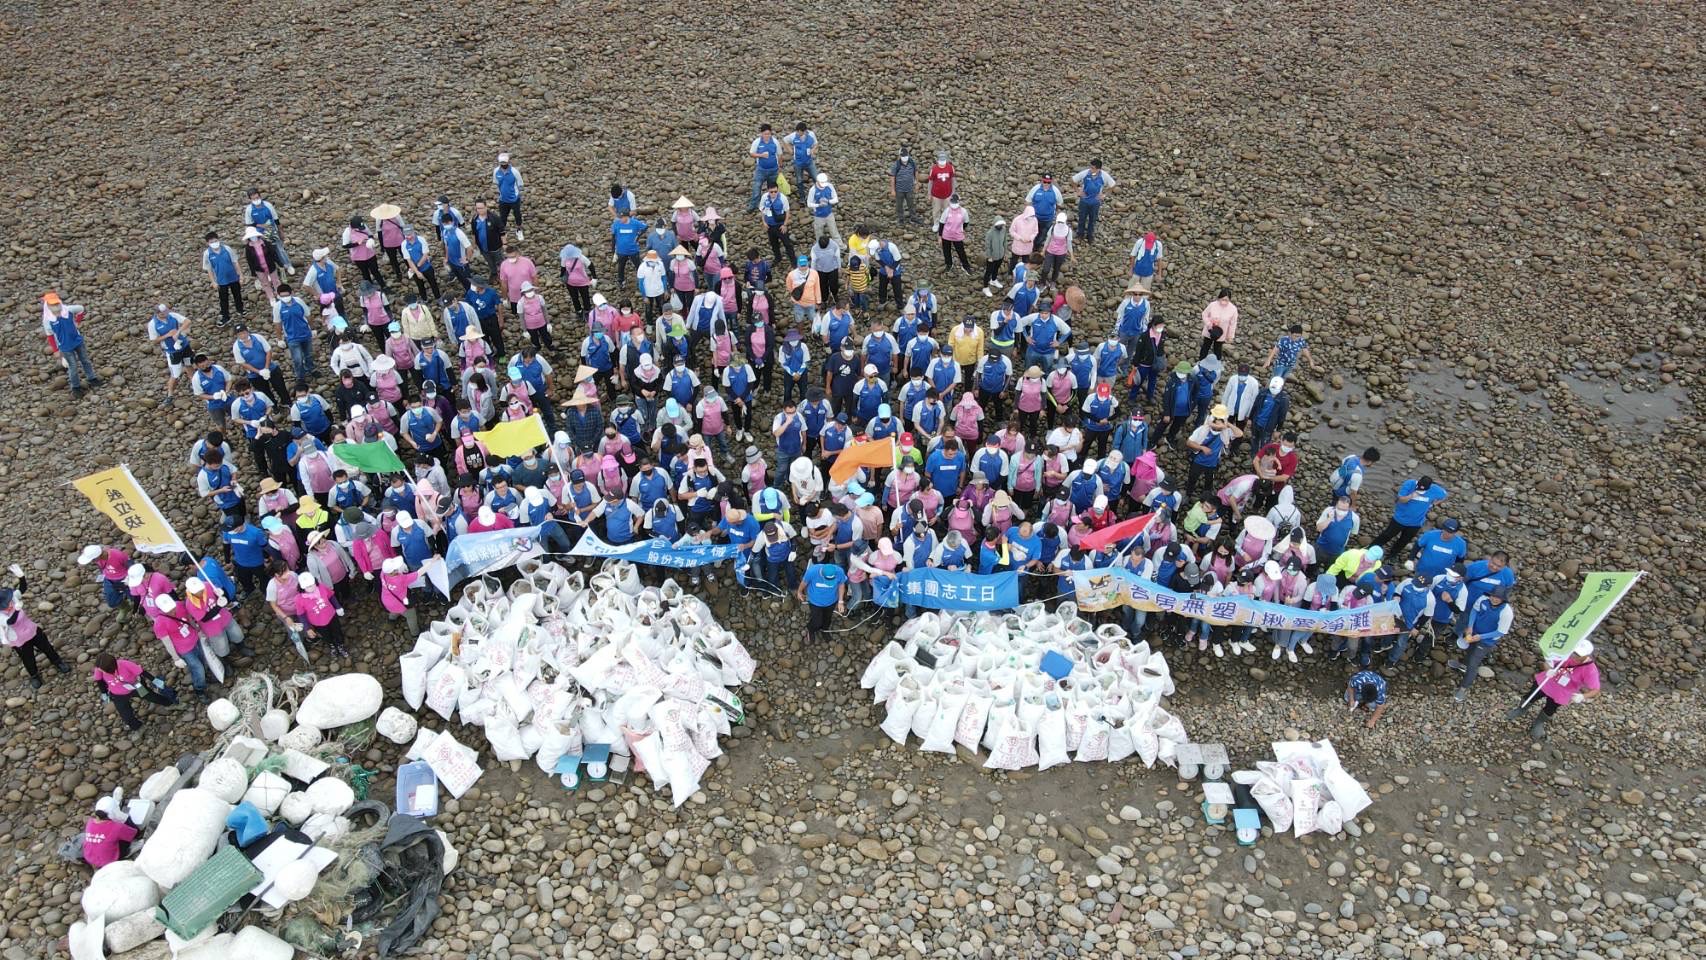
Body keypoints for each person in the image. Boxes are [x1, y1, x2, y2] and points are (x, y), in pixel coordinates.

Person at [1507, 640, 1600, 740]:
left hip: (1562, 692)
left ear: (1587, 655)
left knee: (1550, 709)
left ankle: (1538, 723)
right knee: (1530, 696)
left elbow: (1595, 689)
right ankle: (1520, 709)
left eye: (1579, 655)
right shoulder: (1565, 653)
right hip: (1546, 681)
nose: (1575, 656)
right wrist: (1548, 669)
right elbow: (1547, 662)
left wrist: (1582, 696)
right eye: (1574, 652)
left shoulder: (1590, 670)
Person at [2, 571, 69, 690]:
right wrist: (17, 610)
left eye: (9, 601)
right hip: (19, 640)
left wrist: (21, 576)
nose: (10, 604)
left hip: (32, 630)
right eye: (6, 604)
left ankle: (58, 662)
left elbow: (22, 588)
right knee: (28, 658)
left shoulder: (13, 599)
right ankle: (34, 675)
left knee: (47, 647)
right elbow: (10, 622)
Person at [1449, 586, 1514, 701]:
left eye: (1498, 598)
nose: (1494, 599)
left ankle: (1463, 688)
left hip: (1486, 640)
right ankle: (1463, 666)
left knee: (1474, 663)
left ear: (1503, 599)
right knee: (1469, 651)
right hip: (1474, 631)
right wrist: (1470, 626)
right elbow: (1474, 610)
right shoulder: (1483, 599)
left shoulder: (1506, 612)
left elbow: (1501, 631)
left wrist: (1480, 637)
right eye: (1493, 596)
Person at [1370, 476, 1449, 556]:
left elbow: (1445, 495)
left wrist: (1434, 504)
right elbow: (1401, 499)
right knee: (1387, 535)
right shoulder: (1409, 484)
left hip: (1415, 523)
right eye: (1419, 488)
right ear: (1418, 482)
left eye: (1423, 489)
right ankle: (1370, 548)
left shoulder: (1435, 489)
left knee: (1404, 541)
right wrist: (1411, 495)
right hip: (1399, 519)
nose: (1420, 491)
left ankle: (1392, 555)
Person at [41, 292, 99, 398]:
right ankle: (76, 387)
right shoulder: (48, 321)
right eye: (52, 304)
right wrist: (56, 350)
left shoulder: (68, 310)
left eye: (56, 303)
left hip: (77, 341)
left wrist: (77, 321)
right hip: (65, 346)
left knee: (85, 360)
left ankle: (92, 378)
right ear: (47, 306)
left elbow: (81, 309)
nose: (55, 306)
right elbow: (50, 336)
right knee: (73, 366)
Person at [797, 558, 848, 643]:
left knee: (827, 619)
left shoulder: (839, 571)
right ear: (822, 574)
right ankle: (811, 629)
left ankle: (824, 630)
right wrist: (799, 592)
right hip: (815, 602)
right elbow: (804, 582)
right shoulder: (812, 571)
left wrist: (840, 601)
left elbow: (841, 584)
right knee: (817, 622)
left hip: (831, 601)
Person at [82, 794, 140, 866]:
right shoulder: (116, 827)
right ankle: (127, 853)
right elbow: (135, 833)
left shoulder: (90, 822)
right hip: (109, 860)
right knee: (124, 837)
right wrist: (125, 818)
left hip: (89, 857)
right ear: (114, 812)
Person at [202, 231, 246, 326]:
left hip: (233, 277)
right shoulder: (207, 254)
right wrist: (213, 282)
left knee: (237, 294)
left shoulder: (227, 249)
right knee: (223, 299)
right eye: (211, 242)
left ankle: (240, 309)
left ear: (219, 240)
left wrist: (241, 275)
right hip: (221, 281)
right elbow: (209, 269)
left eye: (215, 240)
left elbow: (235, 262)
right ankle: (226, 316)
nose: (214, 243)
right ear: (207, 243)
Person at [1070, 159, 1116, 242]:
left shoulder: (1104, 176)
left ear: (1098, 169)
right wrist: (1078, 191)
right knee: (1082, 218)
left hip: (1095, 202)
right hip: (1084, 200)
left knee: (1093, 219)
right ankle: (1080, 234)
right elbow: (1073, 180)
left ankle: (1090, 235)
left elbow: (1112, 185)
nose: (1090, 169)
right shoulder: (1085, 173)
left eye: (1093, 168)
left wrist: (1104, 195)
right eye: (1090, 167)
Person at [748, 123, 782, 213]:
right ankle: (753, 205)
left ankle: (772, 205)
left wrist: (780, 166)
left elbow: (779, 154)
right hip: (761, 170)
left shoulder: (775, 142)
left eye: (769, 134)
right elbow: (752, 153)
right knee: (756, 188)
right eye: (765, 134)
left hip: (773, 170)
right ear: (761, 133)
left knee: (772, 189)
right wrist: (761, 155)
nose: (767, 136)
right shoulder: (757, 142)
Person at [936, 196, 972, 275]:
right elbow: (941, 224)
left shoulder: (963, 211)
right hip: (946, 235)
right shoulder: (947, 211)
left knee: (961, 251)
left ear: (959, 202)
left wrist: (961, 229)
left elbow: (966, 222)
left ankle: (965, 266)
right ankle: (949, 264)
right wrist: (940, 237)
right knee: (946, 251)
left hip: (957, 236)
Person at [492, 152, 525, 238]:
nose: (503, 164)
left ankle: (519, 230)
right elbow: (496, 183)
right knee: (503, 217)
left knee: (517, 215)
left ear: (508, 162)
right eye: (501, 162)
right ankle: (503, 233)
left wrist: (517, 194)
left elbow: (520, 184)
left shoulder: (514, 172)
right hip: (503, 199)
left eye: (505, 162)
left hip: (514, 199)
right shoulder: (496, 171)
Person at [1199, 288, 1237, 360]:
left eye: (1226, 300)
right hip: (1210, 330)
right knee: (1205, 346)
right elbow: (1204, 314)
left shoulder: (1233, 309)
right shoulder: (1212, 305)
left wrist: (1230, 336)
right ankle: (1201, 362)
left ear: (1229, 299)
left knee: (1218, 349)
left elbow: (1233, 324)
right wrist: (1209, 324)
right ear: (1219, 297)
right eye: (1222, 299)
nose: (1224, 302)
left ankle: (1217, 366)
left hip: (1221, 333)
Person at [890, 145, 922, 225]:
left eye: (906, 156)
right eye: (903, 156)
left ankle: (913, 217)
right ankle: (901, 219)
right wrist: (893, 190)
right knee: (899, 205)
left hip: (909, 188)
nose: (905, 158)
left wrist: (917, 183)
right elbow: (892, 177)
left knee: (911, 204)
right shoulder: (896, 165)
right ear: (900, 156)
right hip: (899, 189)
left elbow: (916, 172)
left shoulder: (912, 162)